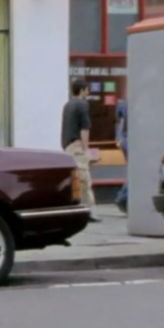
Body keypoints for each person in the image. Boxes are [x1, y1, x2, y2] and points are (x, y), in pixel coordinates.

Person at [61, 79, 99, 222]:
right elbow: (84, 129)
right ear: (82, 90)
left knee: (74, 178)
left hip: (67, 145)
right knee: (84, 178)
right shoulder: (83, 105)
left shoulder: (67, 105)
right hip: (77, 145)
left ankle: (76, 208)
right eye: (87, 89)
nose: (88, 92)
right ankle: (88, 211)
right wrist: (85, 149)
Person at [114, 99, 128, 213]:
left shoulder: (123, 104)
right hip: (128, 139)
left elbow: (120, 122)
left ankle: (122, 198)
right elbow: (122, 122)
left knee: (132, 172)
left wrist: (119, 138)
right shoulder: (128, 104)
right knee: (134, 173)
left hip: (125, 139)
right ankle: (122, 199)